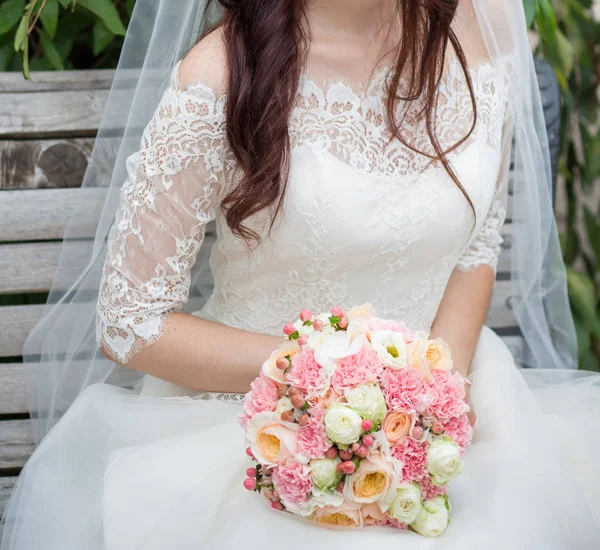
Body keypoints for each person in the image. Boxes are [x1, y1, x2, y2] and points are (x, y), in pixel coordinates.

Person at [1, 0, 599, 548]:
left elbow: (478, 247)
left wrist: (435, 400)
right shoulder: (221, 76)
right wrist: (329, 378)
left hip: (438, 412)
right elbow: (129, 322)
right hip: (250, 431)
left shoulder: (485, 34)